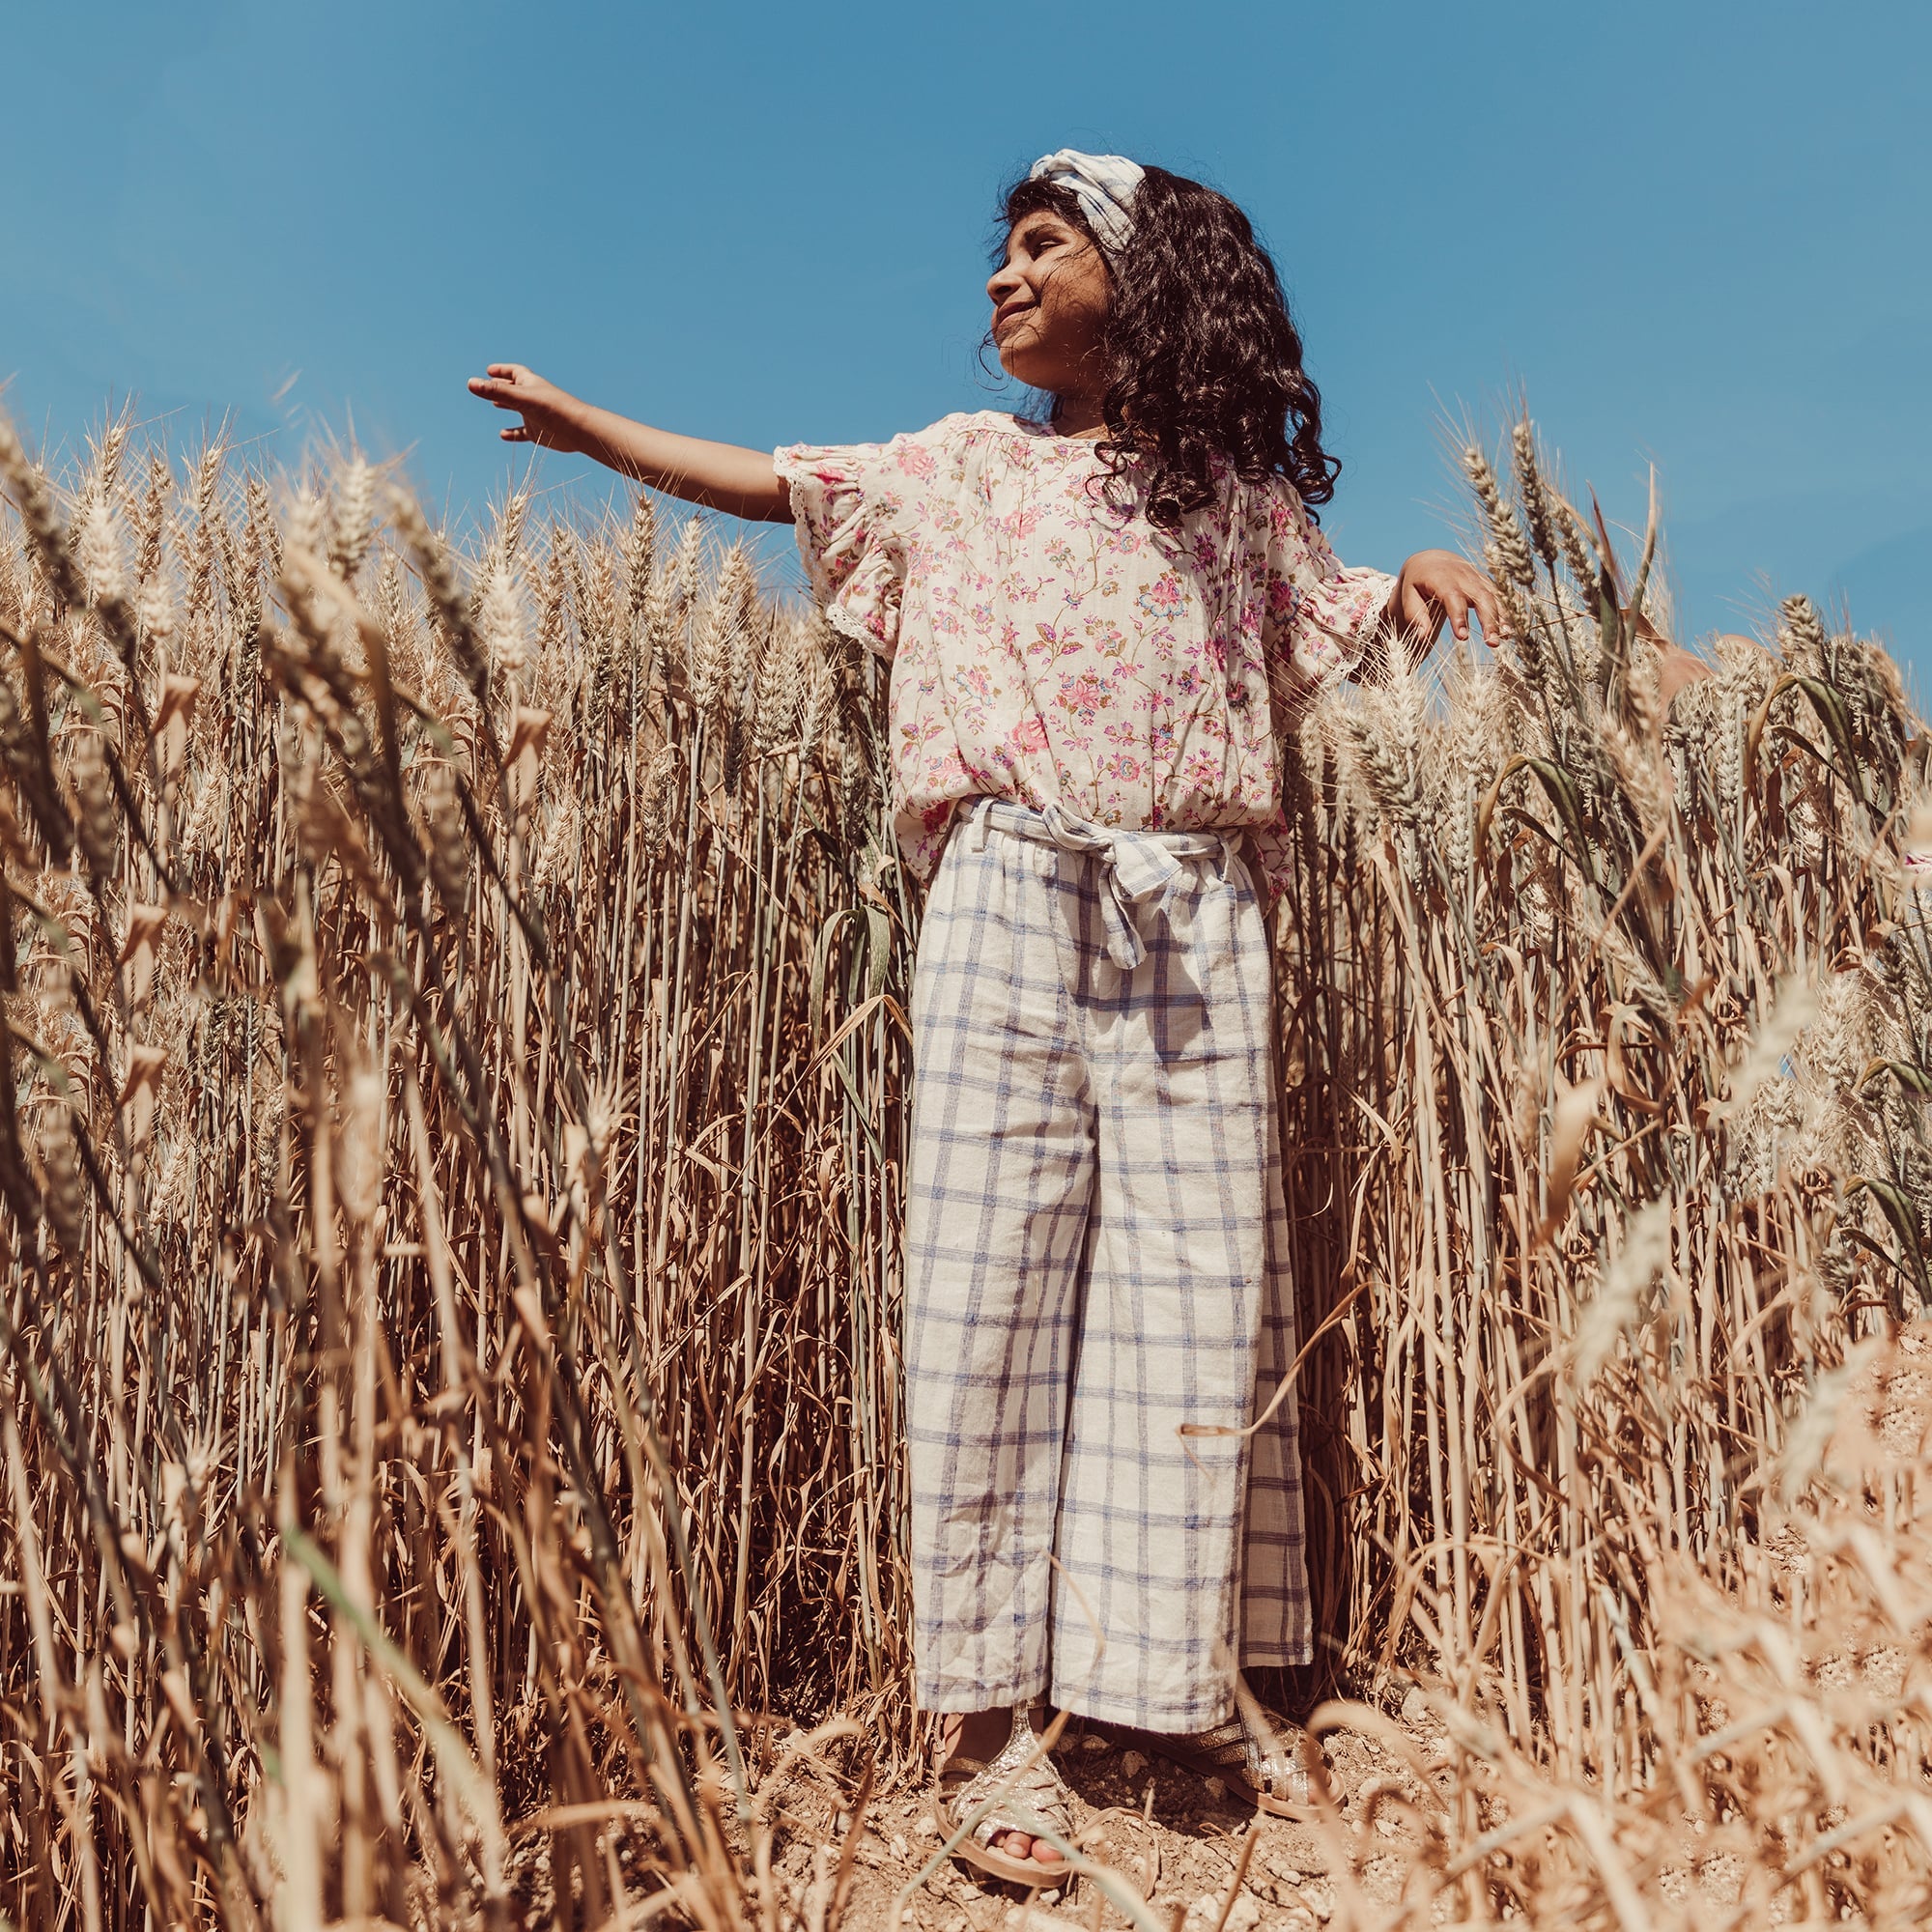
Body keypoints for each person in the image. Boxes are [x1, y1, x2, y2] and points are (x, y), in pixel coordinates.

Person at [469, 149, 1497, 1887]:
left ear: (1150, 283)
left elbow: (1349, 631)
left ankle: (1150, 1691)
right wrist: (596, 432)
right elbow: (775, 482)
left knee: (1193, 1288)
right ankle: (983, 1730)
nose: (1005, 278)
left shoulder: (1235, 499)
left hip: (1196, 904)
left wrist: (1421, 563)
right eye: (1001, 252)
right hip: (1012, 893)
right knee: (988, 1283)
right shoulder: (954, 473)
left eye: (1045, 246)